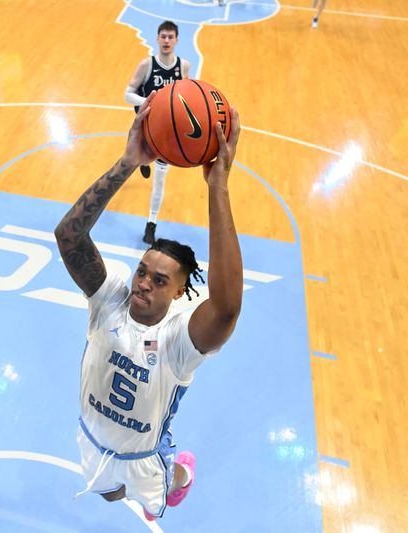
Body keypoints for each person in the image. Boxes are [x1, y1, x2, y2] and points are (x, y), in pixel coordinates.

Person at [54, 95, 242, 521]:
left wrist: (218, 185)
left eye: (160, 280)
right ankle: (122, 485)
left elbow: (227, 308)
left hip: (143, 457)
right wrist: (127, 161)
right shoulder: (111, 299)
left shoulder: (178, 341)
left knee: (152, 503)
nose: (143, 284)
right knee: (106, 495)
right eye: (142, 272)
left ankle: (182, 476)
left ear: (179, 293)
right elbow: (68, 236)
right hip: (92, 438)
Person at [124, 20, 191, 244]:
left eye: (170, 37)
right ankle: (142, 161)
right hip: (144, 128)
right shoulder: (146, 65)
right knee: (127, 164)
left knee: (160, 180)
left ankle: (151, 224)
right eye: (163, 36)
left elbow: (186, 98)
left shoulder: (184, 68)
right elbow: (127, 94)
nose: (166, 40)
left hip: (167, 134)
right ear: (157, 38)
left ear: (177, 40)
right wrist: (153, 103)